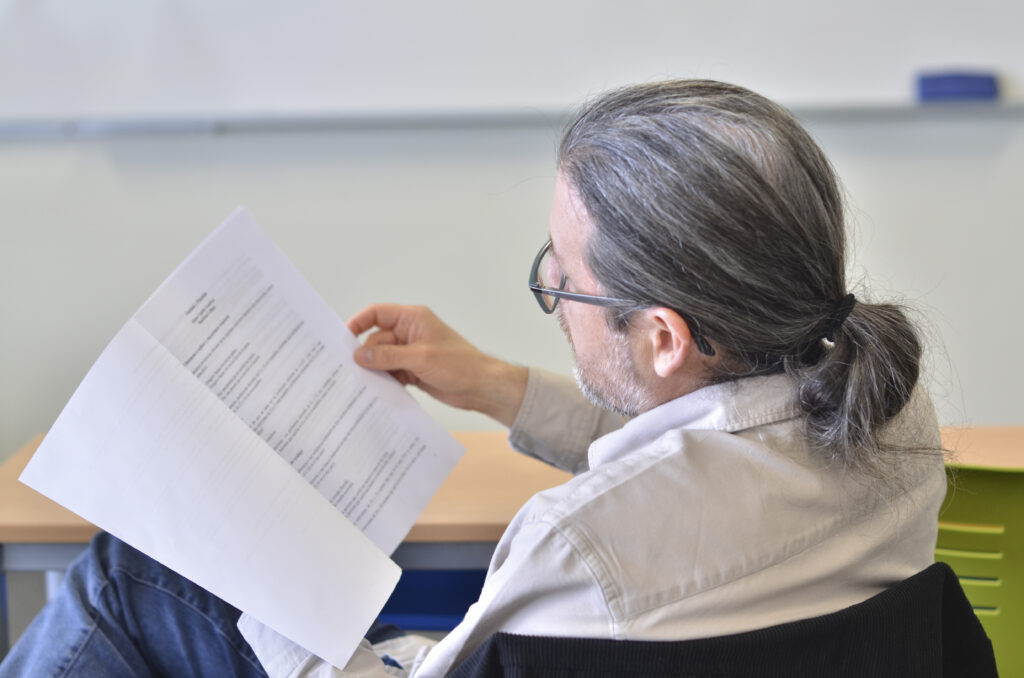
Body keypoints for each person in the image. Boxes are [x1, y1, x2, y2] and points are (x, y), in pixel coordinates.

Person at [0, 79, 947, 677]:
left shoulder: (578, 546)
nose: (555, 296)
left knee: (128, 574)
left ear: (664, 338)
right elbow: (711, 453)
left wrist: (251, 558)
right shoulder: (890, 416)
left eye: (563, 281)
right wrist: (495, 385)